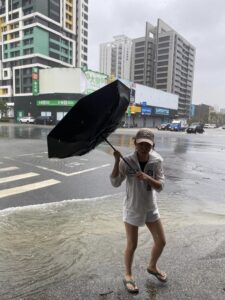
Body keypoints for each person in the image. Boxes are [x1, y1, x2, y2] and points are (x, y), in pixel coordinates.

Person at [110, 128, 167, 294]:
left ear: (152, 145)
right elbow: (115, 182)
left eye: (148, 144)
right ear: (135, 142)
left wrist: (147, 177)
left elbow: (161, 186)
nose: (144, 147)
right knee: (132, 245)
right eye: (141, 143)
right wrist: (116, 161)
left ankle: (152, 266)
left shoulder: (157, 161)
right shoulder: (126, 161)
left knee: (161, 241)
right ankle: (128, 275)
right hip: (133, 208)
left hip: (150, 207)